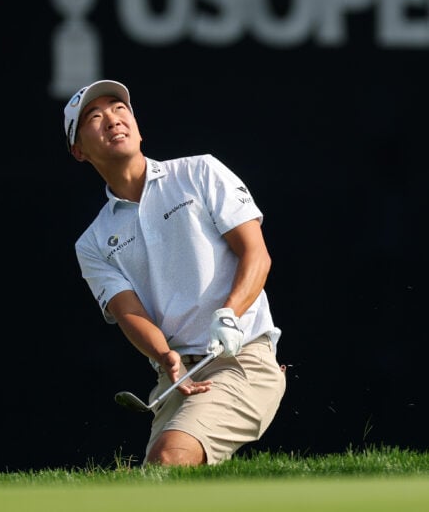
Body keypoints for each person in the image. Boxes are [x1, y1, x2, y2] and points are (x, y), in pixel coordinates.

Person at [63, 79, 286, 467]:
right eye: (95, 117)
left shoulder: (200, 172)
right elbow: (129, 312)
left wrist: (229, 314)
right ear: (79, 151)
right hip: (181, 376)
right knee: (157, 478)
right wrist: (166, 356)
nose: (112, 120)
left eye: (119, 109)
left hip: (242, 357)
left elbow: (257, 254)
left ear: (137, 125)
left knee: (169, 459)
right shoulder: (93, 242)